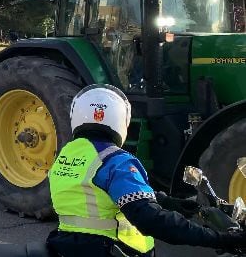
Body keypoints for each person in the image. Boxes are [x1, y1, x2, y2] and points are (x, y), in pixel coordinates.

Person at [46, 84, 246, 256]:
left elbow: (96, 195)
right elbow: (151, 219)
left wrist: (168, 202)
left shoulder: (66, 155)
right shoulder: (116, 161)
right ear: (121, 120)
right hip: (112, 250)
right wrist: (219, 239)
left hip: (68, 246)